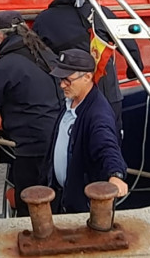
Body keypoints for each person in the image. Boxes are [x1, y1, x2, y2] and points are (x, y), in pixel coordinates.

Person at [0, 11, 63, 216]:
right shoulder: (44, 51)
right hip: (59, 132)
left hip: (32, 142)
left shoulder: (4, 65)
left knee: (28, 197)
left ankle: (30, 230)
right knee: (54, 190)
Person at [33, 0, 142, 133]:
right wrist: (134, 71)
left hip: (67, 94)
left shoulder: (42, 20)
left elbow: (36, 57)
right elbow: (129, 46)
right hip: (106, 91)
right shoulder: (101, 12)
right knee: (109, 140)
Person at [46, 49, 128, 213]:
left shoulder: (98, 114)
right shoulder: (70, 101)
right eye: (61, 79)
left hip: (81, 206)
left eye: (68, 80)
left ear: (87, 77)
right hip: (61, 196)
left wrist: (116, 175)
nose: (62, 85)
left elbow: (106, 145)